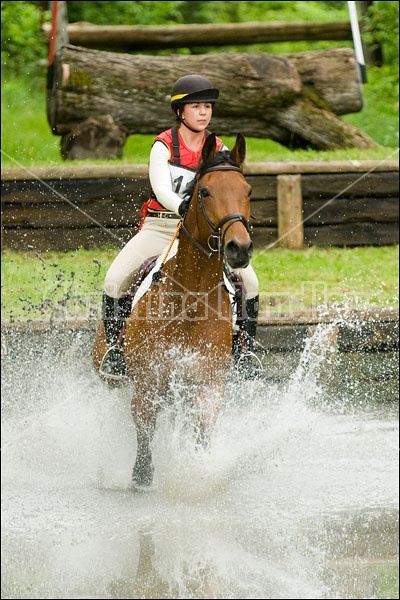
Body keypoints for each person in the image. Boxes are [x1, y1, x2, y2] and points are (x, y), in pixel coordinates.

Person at [101, 74, 259, 379]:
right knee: (114, 280)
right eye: (195, 106)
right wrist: (182, 207)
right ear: (180, 112)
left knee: (250, 284)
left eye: (207, 107)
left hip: (202, 235)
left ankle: (243, 353)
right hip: (160, 227)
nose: (203, 112)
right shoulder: (164, 145)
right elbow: (161, 188)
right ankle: (115, 351)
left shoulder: (219, 147)